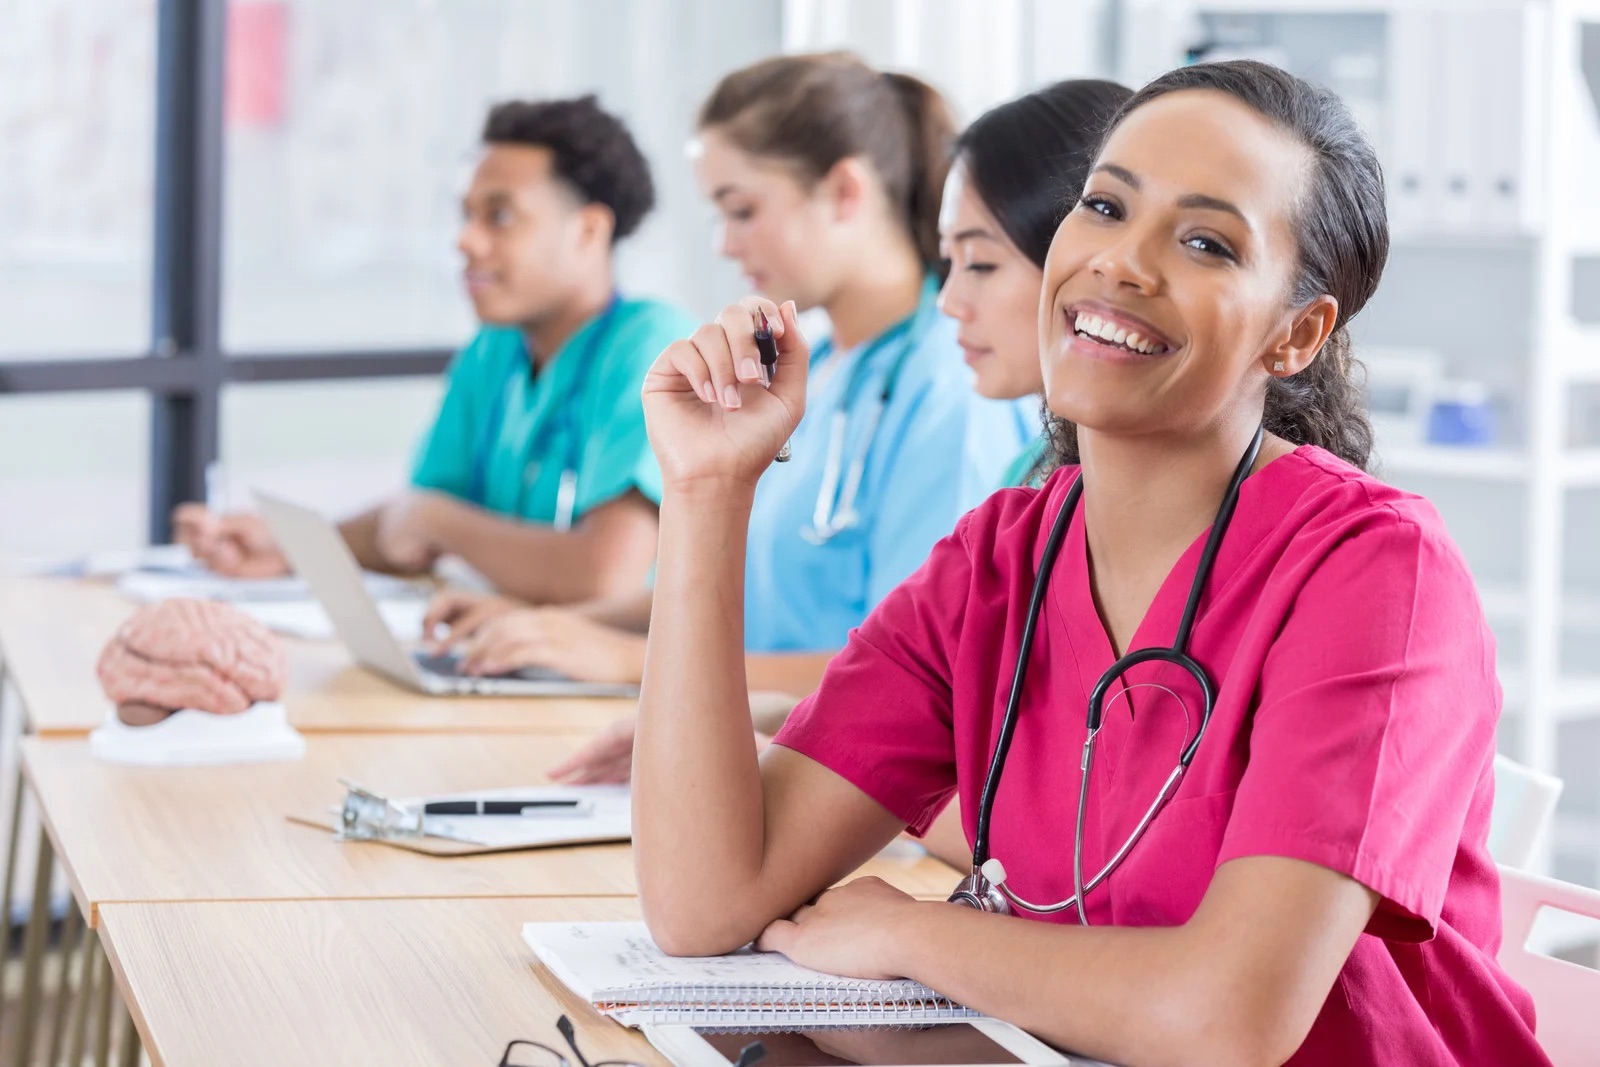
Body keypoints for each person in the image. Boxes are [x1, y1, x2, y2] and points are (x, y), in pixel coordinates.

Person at [630, 60, 1547, 1066]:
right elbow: (707, 899)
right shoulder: (1000, 558)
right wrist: (707, 492)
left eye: (1204, 241)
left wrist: (915, 931)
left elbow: (1228, 1018)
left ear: (1295, 333)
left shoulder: (1376, 575)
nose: (1121, 262)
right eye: (1104, 205)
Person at [425, 53, 1026, 698]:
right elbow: (735, 602)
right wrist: (550, 628)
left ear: (845, 193)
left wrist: (623, 659)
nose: (724, 242)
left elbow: (923, 671)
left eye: (740, 210)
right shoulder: (817, 372)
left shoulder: (952, 386)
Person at [173, 95, 695, 605]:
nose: (464, 240)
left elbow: (606, 575)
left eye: (500, 216)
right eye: (466, 215)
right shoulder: (496, 351)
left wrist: (441, 521)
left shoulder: (651, 349)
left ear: (589, 231)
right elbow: (410, 524)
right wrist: (291, 548)